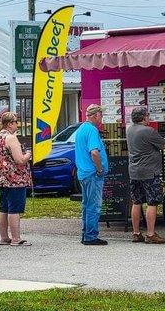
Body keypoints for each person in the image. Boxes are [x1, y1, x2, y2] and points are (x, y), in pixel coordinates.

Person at [126, 106, 165, 244]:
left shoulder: (129, 129)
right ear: (143, 117)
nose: (149, 117)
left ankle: (136, 233)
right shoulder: (148, 131)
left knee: (136, 202)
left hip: (134, 171)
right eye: (148, 115)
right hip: (149, 172)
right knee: (152, 202)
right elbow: (164, 145)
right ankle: (150, 234)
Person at [0, 112, 33, 246]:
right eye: (16, 121)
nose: (17, 124)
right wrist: (28, 154)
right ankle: (16, 238)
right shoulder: (11, 138)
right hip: (15, 178)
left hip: (1, 178)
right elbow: (19, 160)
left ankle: (4, 237)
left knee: (3, 207)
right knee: (14, 208)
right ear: (10, 123)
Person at [75, 104, 109, 246]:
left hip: (83, 173)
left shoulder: (81, 129)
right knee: (94, 206)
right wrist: (100, 169)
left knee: (86, 205)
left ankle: (85, 234)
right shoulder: (92, 130)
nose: (102, 118)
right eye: (101, 115)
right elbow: (94, 152)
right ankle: (91, 236)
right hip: (93, 173)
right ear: (95, 116)